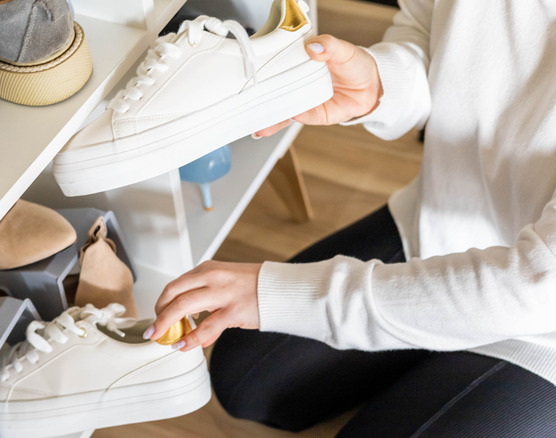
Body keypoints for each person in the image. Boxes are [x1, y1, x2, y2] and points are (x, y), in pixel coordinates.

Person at [144, 1, 556, 436]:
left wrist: (284, 295)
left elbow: (535, 288)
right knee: (246, 382)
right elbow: (427, 25)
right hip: (442, 224)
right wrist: (382, 83)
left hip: (545, 314)